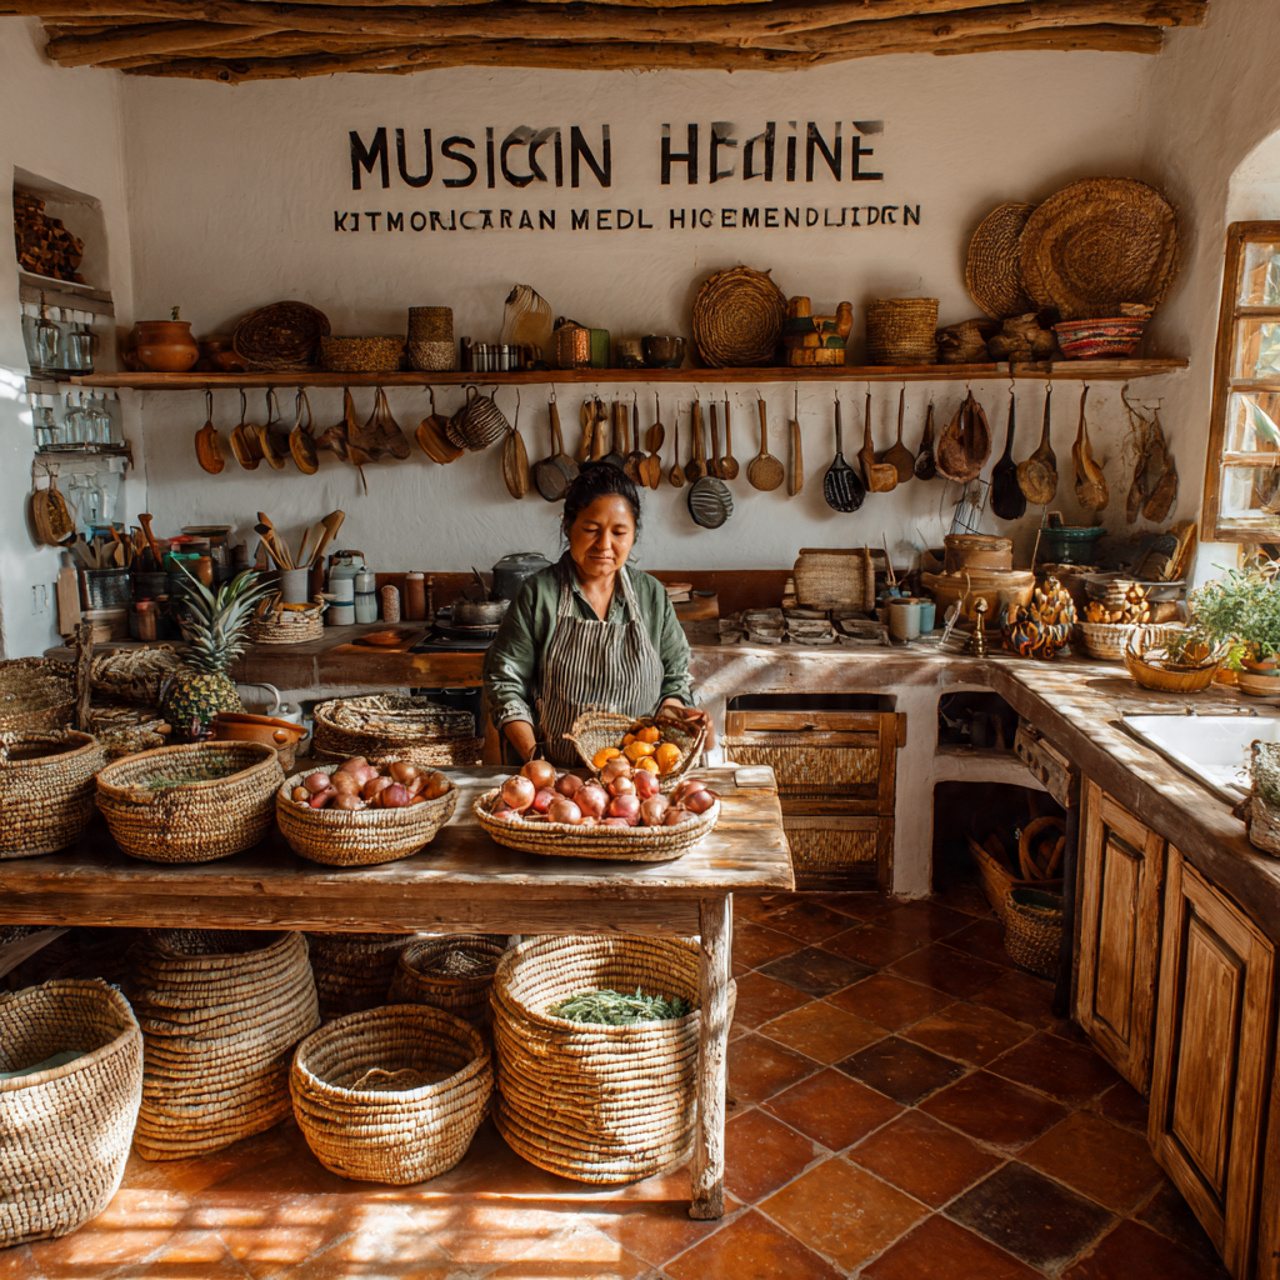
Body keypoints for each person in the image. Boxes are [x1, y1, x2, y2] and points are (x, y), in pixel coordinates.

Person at [483, 463, 713, 765]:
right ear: (568, 526)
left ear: (633, 535)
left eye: (619, 532)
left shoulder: (651, 595)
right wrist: (533, 757)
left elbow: (674, 680)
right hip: (559, 778)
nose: (604, 545)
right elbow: (504, 682)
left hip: (638, 779)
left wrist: (679, 716)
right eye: (591, 530)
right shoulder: (539, 595)